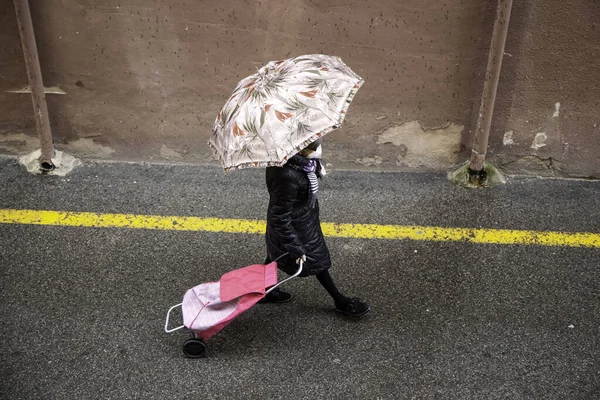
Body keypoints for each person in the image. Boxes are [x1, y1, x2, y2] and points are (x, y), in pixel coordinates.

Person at [259, 138, 370, 316]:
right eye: (312, 145)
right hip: (296, 226)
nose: (317, 146)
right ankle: (340, 301)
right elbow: (279, 216)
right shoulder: (287, 175)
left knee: (275, 254)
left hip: (301, 219)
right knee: (316, 260)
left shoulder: (293, 162)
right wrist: (295, 246)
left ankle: (264, 290)